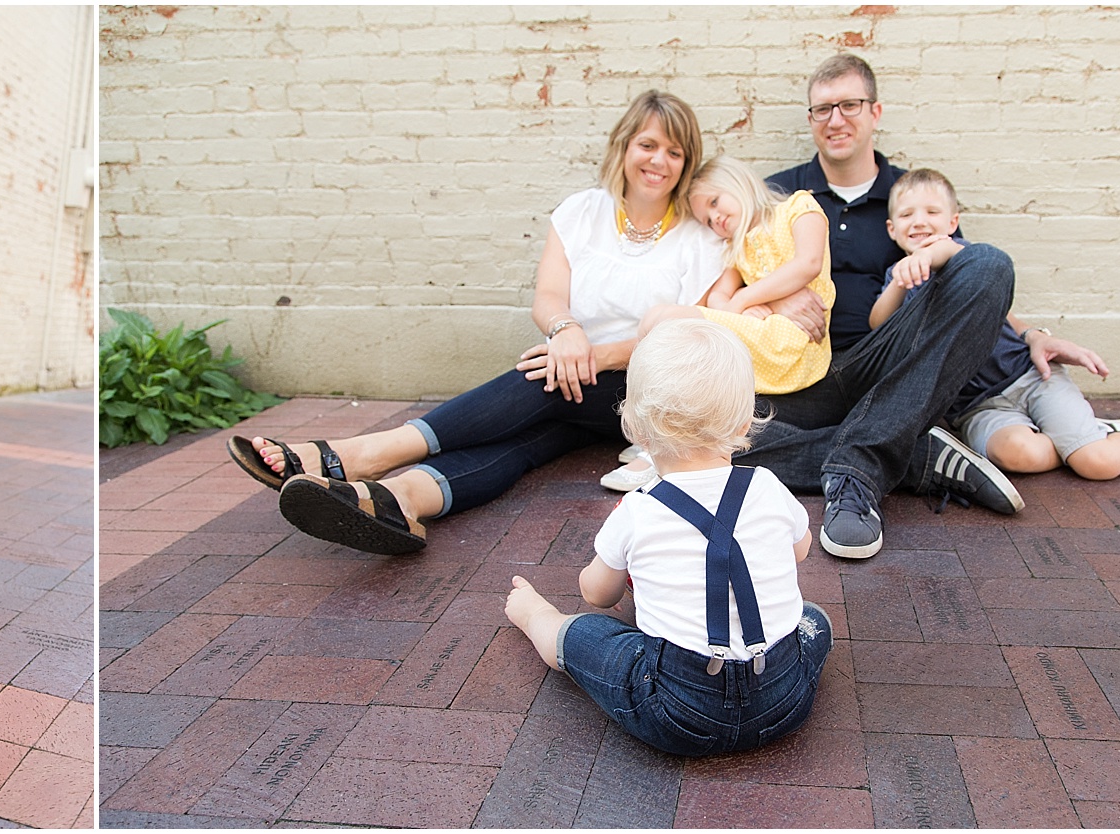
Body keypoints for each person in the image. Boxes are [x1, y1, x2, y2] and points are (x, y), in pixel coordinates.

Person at [226, 90, 728, 555]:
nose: (659, 161)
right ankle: (400, 499)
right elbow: (549, 296)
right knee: (526, 443)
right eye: (648, 144)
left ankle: (363, 455)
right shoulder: (581, 212)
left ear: (686, 164)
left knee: (542, 380)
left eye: (675, 152)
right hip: (572, 376)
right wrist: (565, 331)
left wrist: (591, 355)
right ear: (624, 146)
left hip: (640, 392)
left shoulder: (698, 239)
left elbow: (683, 336)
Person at [729, 52, 1111, 559]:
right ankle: (916, 455)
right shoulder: (779, 193)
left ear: (875, 112)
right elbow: (731, 277)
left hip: (892, 362)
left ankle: (858, 471)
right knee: (715, 443)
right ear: (810, 120)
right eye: (823, 109)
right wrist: (778, 294)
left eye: (849, 105)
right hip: (801, 374)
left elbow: (971, 285)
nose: (836, 120)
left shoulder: (911, 196)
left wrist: (1031, 333)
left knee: (989, 262)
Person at [503, 318, 830, 756]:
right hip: (785, 699)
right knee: (813, 619)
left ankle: (538, 619)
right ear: (743, 425)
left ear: (636, 431)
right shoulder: (767, 485)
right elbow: (800, 550)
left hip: (680, 712)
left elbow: (597, 594)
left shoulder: (637, 510)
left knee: (596, 636)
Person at [871, 169, 1120, 478]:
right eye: (906, 215)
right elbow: (879, 326)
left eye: (932, 214)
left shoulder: (969, 259)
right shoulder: (900, 277)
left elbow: (982, 288)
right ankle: (1100, 434)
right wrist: (902, 280)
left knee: (1096, 465)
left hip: (1029, 377)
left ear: (954, 221)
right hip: (976, 407)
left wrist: (938, 251)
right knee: (1021, 456)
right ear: (891, 229)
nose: (919, 222)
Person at [600, 155, 834, 492]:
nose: (716, 218)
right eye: (708, 219)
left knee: (664, 319)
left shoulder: (799, 207)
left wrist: (744, 301)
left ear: (737, 181)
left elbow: (808, 263)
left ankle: (656, 445)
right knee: (657, 320)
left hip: (796, 342)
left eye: (715, 202)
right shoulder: (737, 247)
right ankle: (658, 436)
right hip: (764, 335)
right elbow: (717, 299)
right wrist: (752, 303)